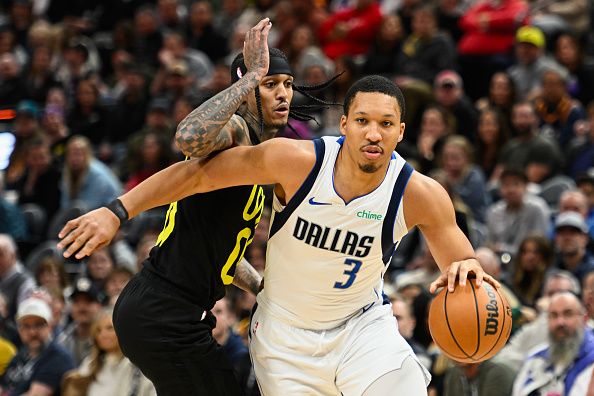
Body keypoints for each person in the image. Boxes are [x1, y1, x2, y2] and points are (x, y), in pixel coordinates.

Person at [59, 74, 499, 394]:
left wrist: (468, 277)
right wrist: (119, 210)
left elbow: (462, 262)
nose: (373, 133)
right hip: (284, 337)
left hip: (361, 327)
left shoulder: (420, 193)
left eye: (386, 124)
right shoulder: (294, 161)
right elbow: (195, 176)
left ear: (401, 132)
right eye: (363, 120)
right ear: (343, 123)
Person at [58, 18, 336, 395]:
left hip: (168, 310)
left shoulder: (258, 159)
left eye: (287, 84)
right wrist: (250, 76)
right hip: (165, 309)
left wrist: (260, 286)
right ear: (246, 90)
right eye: (270, 85)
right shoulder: (237, 132)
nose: (283, 94)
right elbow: (188, 137)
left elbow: (221, 248)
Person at [512, 292, 594, 396]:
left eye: (568, 314)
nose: (560, 322)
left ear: (584, 318)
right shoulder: (535, 358)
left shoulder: (591, 362)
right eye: (554, 315)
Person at [1, 297, 75, 395]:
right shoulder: (21, 355)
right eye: (26, 326)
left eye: (39, 325)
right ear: (20, 330)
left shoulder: (58, 357)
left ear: (50, 327)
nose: (32, 332)